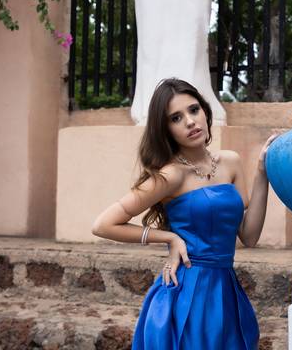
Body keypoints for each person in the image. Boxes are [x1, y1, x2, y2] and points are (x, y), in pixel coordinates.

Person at [91, 77, 278, 350]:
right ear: (166, 130)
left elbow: (249, 236)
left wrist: (262, 173)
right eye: (176, 118)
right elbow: (103, 225)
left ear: (205, 110)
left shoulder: (230, 162)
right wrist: (169, 238)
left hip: (225, 291)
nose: (190, 122)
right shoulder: (171, 175)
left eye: (193, 110)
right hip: (186, 292)